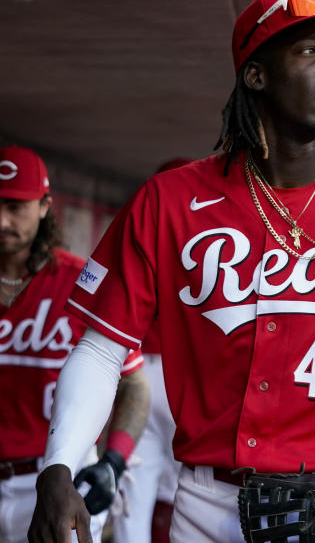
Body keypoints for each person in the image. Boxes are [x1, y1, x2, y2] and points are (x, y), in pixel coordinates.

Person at [28, 0, 315, 543]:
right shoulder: (169, 201)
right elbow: (102, 349)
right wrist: (58, 466)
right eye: (309, 51)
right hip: (207, 503)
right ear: (257, 75)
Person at [0, 146, 149, 543]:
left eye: (15, 206)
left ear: (44, 206)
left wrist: (114, 461)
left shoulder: (82, 283)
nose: (0, 221)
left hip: (59, 478)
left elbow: (135, 386)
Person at [109, 157, 193, 543]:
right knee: (195, 495)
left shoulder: (143, 229)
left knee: (133, 503)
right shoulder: (217, 238)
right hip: (187, 378)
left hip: (139, 369)